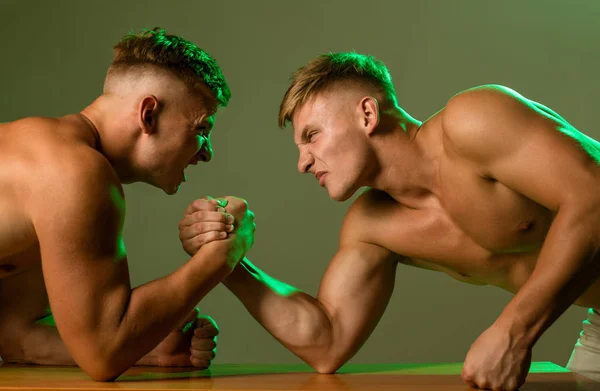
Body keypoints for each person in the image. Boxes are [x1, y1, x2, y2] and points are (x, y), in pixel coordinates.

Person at [179, 52, 600, 390]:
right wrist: (227, 259)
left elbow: (593, 198)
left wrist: (514, 332)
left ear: (367, 115)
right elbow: (328, 342)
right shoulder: (373, 226)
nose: (302, 163)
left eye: (311, 136)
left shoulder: (472, 121)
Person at [0, 28, 256, 381]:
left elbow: (16, 337)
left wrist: (150, 352)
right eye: (201, 129)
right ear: (148, 114)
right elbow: (102, 355)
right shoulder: (74, 173)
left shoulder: (45, 162)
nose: (207, 152)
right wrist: (221, 256)